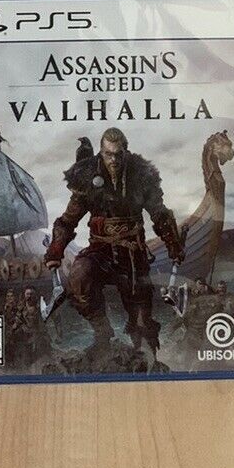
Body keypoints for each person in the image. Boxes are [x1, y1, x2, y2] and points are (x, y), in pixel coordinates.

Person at [44, 128, 184, 368]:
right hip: (100, 250)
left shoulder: (141, 175)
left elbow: (159, 213)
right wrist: (56, 249)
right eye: (108, 154)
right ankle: (102, 334)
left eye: (118, 155)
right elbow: (68, 220)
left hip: (133, 253)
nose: (113, 160)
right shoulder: (88, 177)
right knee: (79, 276)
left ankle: (147, 357)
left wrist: (173, 243)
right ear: (101, 152)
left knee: (141, 321)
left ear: (125, 152)